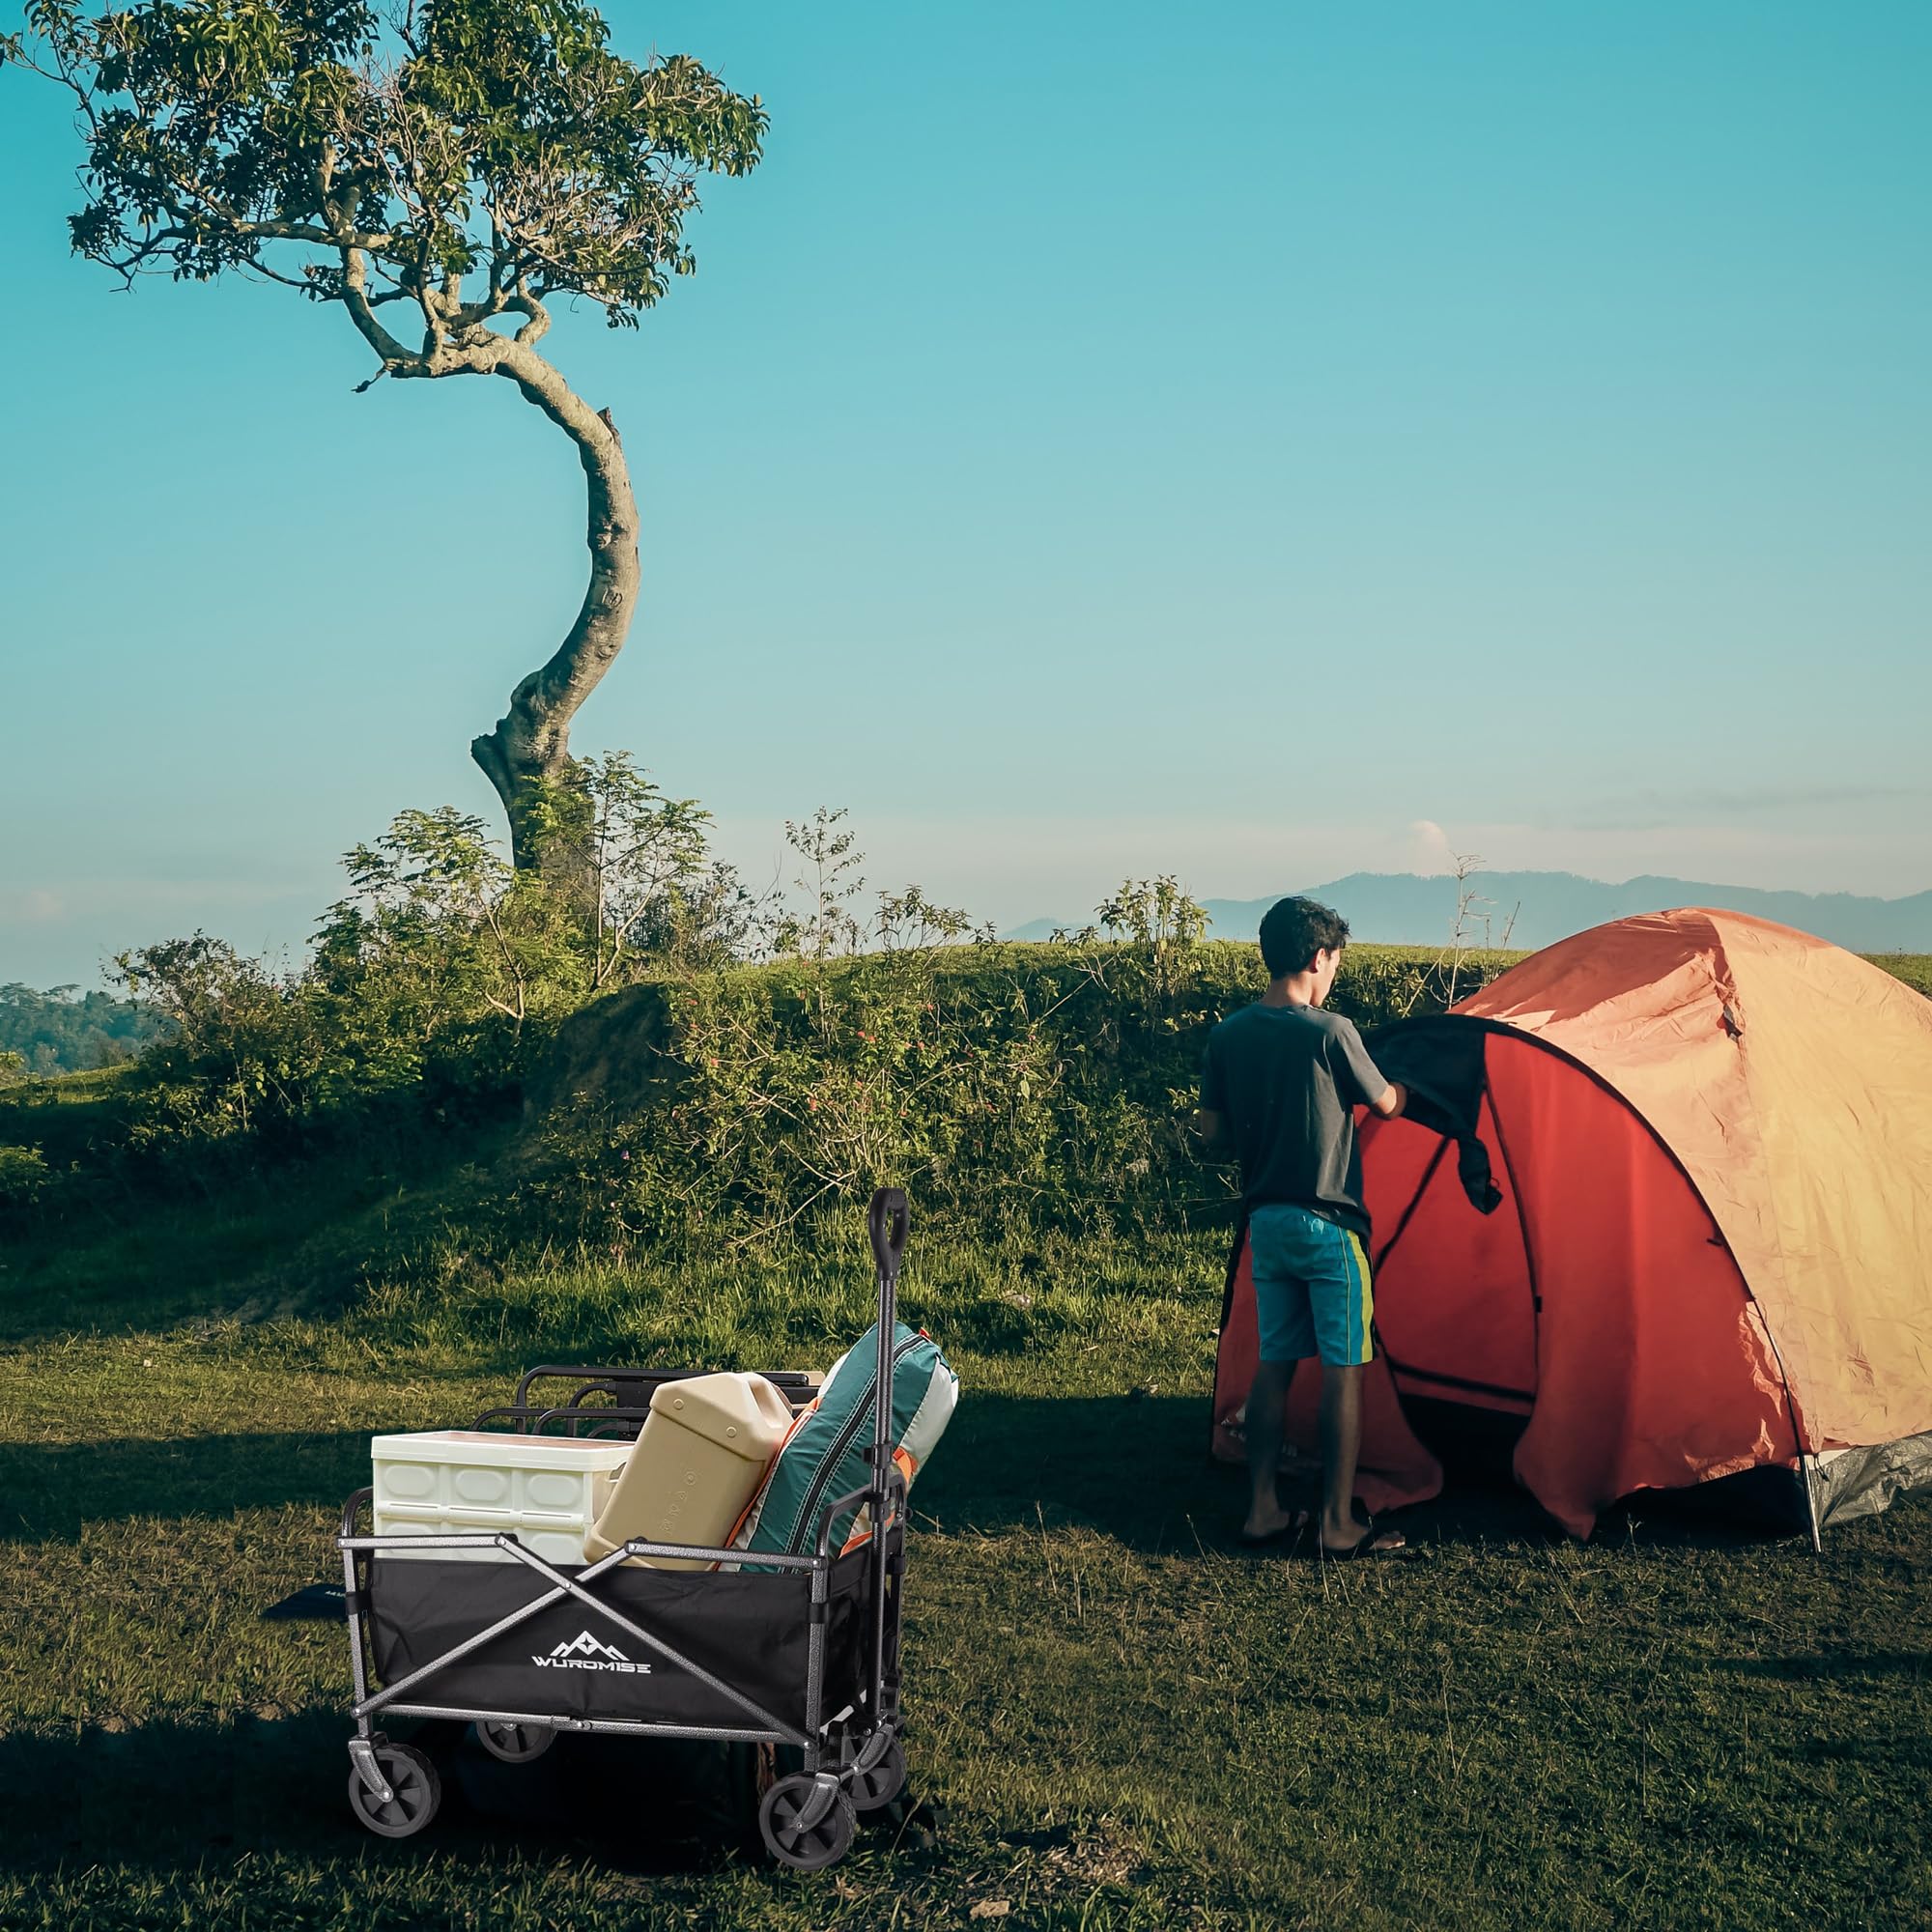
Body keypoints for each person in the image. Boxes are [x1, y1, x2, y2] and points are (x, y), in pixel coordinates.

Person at [1195, 896, 1409, 1557]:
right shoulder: (1331, 1032)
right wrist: (1407, 1087)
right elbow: (1385, 1103)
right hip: (1330, 1224)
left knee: (1274, 1365)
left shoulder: (1227, 1034)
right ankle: (1338, 1524)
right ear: (1319, 958)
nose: (1334, 974)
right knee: (1345, 1371)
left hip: (1268, 1224)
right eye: (1335, 961)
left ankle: (1262, 1511)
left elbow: (1210, 1135)